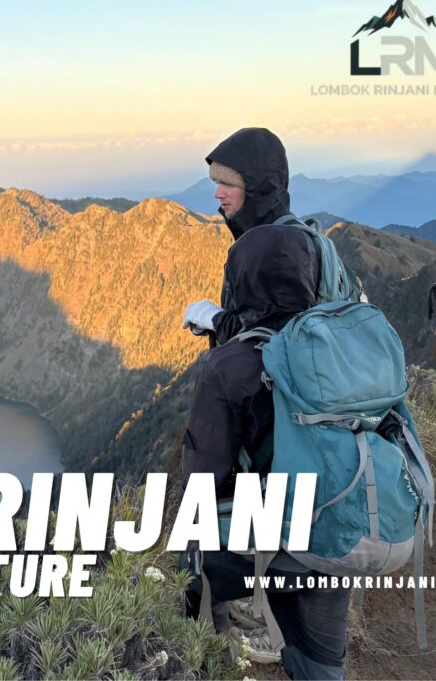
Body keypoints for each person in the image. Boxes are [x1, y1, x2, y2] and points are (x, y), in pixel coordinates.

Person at [182, 224, 352, 680]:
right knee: (321, 662)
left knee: (193, 561)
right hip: (344, 522)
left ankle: (216, 651)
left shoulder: (232, 364)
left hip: (273, 537)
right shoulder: (342, 348)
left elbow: (204, 475)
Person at [182, 128, 295, 345]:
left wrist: (214, 319)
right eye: (218, 183)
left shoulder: (275, 248)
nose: (218, 193)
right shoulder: (275, 235)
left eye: (229, 184)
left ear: (256, 188)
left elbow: (274, 339)